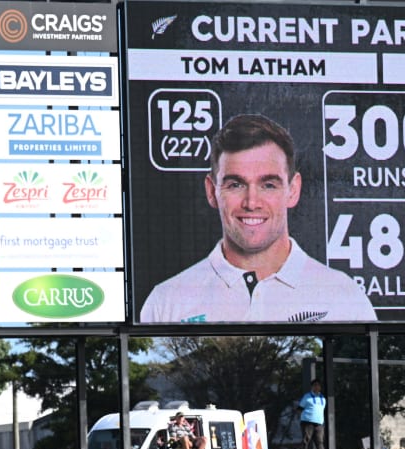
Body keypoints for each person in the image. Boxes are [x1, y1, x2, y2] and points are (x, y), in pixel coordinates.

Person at [139, 114, 377, 324]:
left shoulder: (344, 297)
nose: (251, 202)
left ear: (293, 190)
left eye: (268, 185)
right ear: (212, 191)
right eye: (235, 184)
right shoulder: (166, 302)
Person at [298, 379, 331, 449]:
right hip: (307, 423)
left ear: (320, 387)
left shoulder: (323, 398)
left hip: (319, 424)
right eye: (314, 385)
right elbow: (299, 408)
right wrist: (303, 419)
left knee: (319, 442)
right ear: (312, 387)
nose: (316, 387)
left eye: (318, 385)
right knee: (306, 441)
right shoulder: (307, 396)